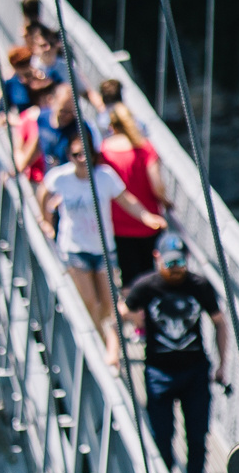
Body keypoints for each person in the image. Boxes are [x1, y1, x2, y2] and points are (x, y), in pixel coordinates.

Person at [123, 234, 230, 473]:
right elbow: (125, 309)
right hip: (159, 372)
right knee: (162, 435)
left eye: (181, 262)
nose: (176, 269)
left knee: (197, 437)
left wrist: (222, 365)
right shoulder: (147, 286)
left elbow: (219, 322)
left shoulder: (199, 286)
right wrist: (136, 322)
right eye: (170, 263)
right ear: (157, 259)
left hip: (195, 371)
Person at [42, 129, 164, 351]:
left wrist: (146, 216)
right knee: (89, 301)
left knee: (108, 304)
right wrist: (46, 222)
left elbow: (125, 199)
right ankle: (104, 345)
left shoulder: (104, 176)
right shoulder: (61, 178)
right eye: (76, 154)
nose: (81, 159)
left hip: (103, 248)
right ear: (69, 155)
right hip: (75, 248)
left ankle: (105, 338)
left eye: (85, 154)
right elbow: (44, 193)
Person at [97, 86, 170, 287]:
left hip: (119, 222)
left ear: (111, 127)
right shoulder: (145, 148)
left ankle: (134, 313)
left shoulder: (104, 152)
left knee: (129, 275)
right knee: (151, 272)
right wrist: (166, 202)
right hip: (149, 219)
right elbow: (157, 185)